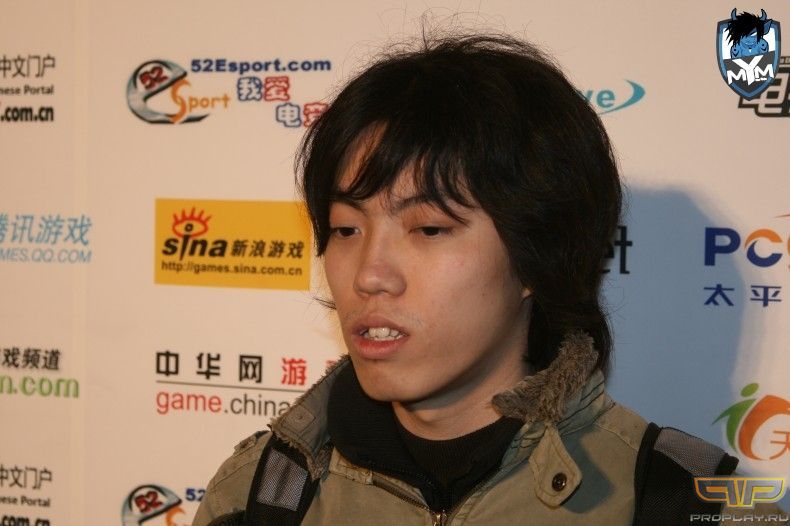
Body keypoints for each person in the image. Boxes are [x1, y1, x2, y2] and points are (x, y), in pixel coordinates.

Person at [193, 34, 785, 526]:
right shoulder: (259, 496)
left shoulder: (692, 504)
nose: (369, 275)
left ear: (536, 256)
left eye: (429, 229)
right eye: (346, 229)